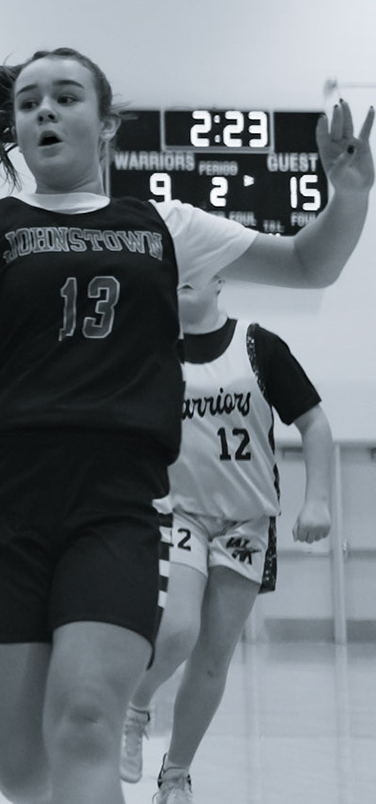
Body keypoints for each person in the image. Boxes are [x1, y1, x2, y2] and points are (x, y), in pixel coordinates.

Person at [0, 48, 371, 804]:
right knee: (22, 770)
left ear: (106, 125)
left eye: (66, 96)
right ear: (17, 131)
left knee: (84, 723)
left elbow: (309, 264)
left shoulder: (163, 224)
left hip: (120, 504)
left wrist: (348, 197)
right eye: (28, 102)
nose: (44, 110)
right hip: (7, 506)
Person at [120, 274, 336, 803]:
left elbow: (314, 423)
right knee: (178, 630)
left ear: (219, 279)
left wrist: (317, 500)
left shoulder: (258, 346)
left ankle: (175, 778)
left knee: (213, 658)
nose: (180, 282)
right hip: (180, 513)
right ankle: (134, 709)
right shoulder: (150, 351)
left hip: (246, 521)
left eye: (193, 272)